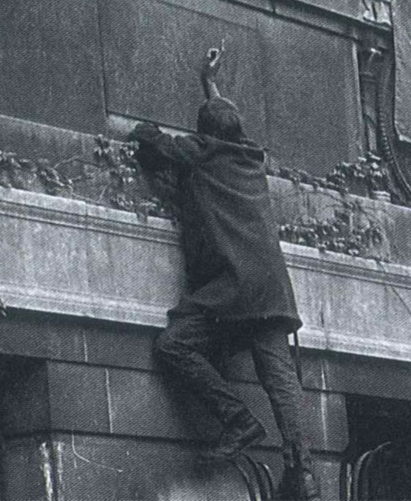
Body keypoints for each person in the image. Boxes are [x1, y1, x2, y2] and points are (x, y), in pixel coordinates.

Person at [129, 48, 320, 501]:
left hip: (231, 289)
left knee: (174, 345)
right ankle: (305, 473)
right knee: (280, 383)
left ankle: (238, 420)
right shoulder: (250, 157)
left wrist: (140, 129)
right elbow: (226, 127)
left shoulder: (199, 153)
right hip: (270, 292)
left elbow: (156, 141)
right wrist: (209, 83)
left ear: (203, 134)